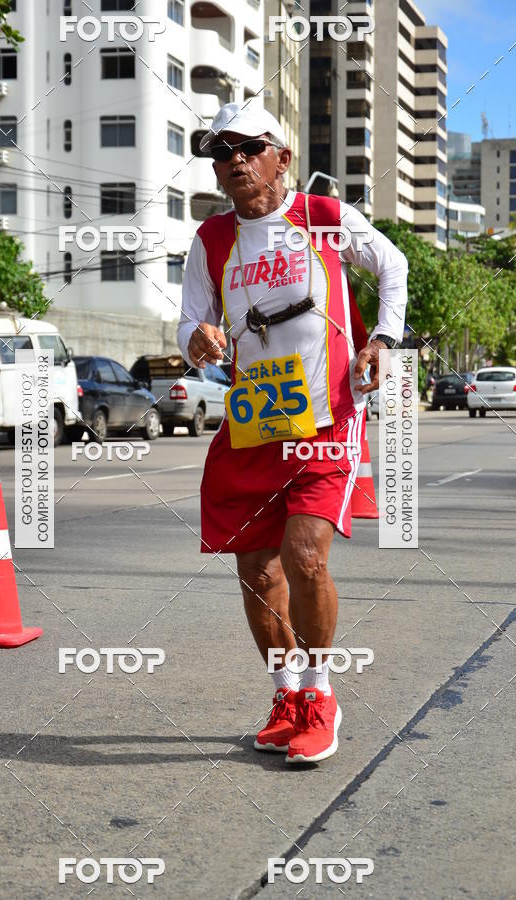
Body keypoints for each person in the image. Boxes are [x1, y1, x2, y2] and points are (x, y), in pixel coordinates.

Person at [178, 100, 408, 764]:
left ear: (282, 156)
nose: (236, 162)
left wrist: (383, 340)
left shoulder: (324, 218)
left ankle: (320, 694)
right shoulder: (211, 240)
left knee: (305, 557)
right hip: (256, 424)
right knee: (255, 566)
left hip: (328, 417)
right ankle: (285, 695)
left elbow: (392, 266)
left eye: (249, 147)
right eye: (222, 153)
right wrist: (199, 338)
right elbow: (189, 325)